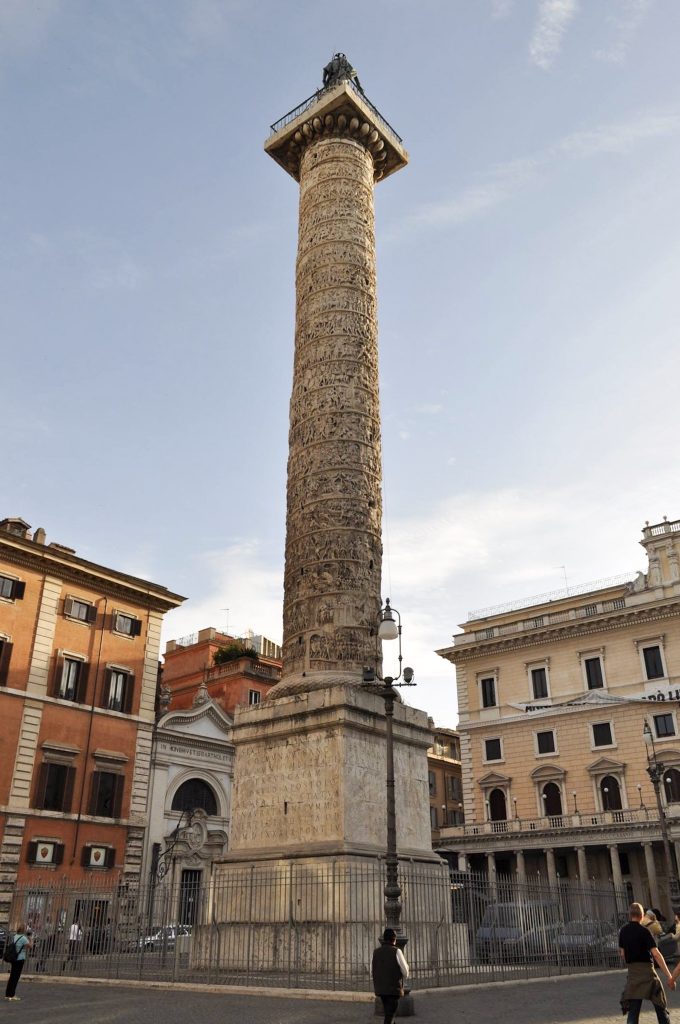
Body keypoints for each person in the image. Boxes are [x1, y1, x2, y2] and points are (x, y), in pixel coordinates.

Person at [619, 902, 675, 1024]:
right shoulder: (644, 931)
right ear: (642, 916)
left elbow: (622, 954)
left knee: (633, 1013)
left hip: (633, 974)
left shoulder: (623, 931)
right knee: (660, 1007)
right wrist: (669, 976)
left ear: (630, 915)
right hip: (648, 973)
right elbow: (656, 954)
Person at [371, 928, 409, 1024]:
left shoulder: (376, 952)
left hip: (381, 989)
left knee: (389, 1013)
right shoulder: (396, 951)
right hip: (393, 989)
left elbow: (373, 970)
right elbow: (405, 971)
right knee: (390, 1015)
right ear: (394, 940)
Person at [5, 922, 32, 1001]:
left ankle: (8, 994)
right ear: (24, 930)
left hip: (14, 958)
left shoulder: (15, 936)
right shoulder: (23, 938)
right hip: (19, 959)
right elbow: (30, 946)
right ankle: (12, 995)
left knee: (12, 976)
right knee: (15, 977)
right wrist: (30, 938)